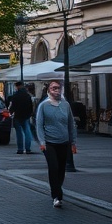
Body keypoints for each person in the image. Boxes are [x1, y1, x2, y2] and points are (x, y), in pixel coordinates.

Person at [35, 80, 78, 208]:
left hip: (64, 142)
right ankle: (57, 195)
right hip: (49, 143)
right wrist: (42, 142)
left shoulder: (65, 105)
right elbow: (39, 125)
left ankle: (57, 190)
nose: (57, 90)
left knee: (61, 169)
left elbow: (71, 124)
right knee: (53, 168)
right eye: (54, 88)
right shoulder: (44, 106)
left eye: (58, 88)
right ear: (49, 90)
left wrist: (73, 142)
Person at [7, 80, 34, 154]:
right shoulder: (27, 95)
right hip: (26, 116)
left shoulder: (15, 95)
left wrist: (11, 112)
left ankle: (20, 149)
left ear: (17, 86)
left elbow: (13, 106)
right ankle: (28, 148)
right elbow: (31, 106)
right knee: (27, 132)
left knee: (19, 133)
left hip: (17, 116)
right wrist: (30, 114)